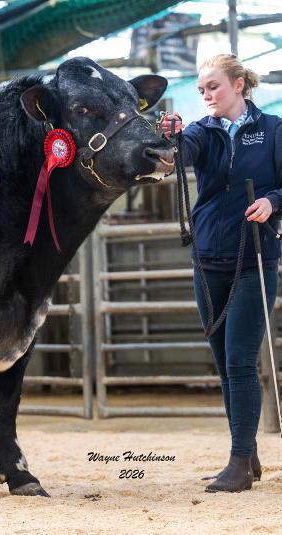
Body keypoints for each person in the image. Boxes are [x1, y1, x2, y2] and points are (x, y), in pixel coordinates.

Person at [161, 53, 282, 493]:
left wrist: (273, 201)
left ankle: (236, 462)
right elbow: (181, 152)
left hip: (254, 259)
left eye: (213, 86)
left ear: (238, 85)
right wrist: (171, 136)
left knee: (239, 362)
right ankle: (246, 455)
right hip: (208, 259)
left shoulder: (273, 130)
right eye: (201, 90)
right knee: (224, 365)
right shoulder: (201, 131)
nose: (206, 95)